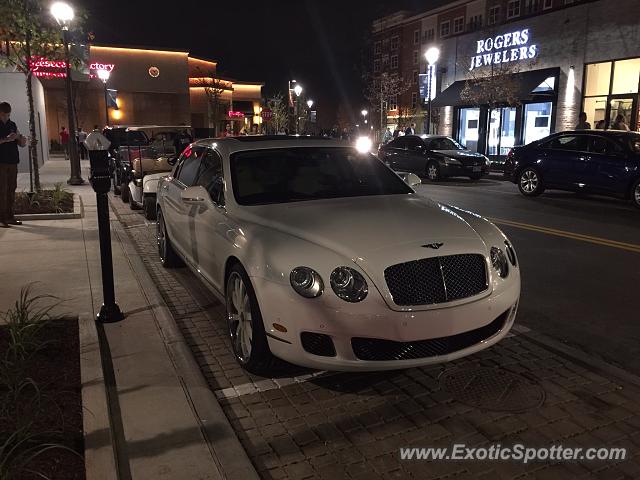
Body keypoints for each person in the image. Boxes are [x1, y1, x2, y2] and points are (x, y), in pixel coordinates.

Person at [0, 102, 27, 228]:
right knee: (2, 190)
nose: (6, 117)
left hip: (13, 161)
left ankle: (10, 216)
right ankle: (2, 218)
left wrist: (19, 138)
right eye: (4, 115)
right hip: (1, 162)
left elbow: (22, 144)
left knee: (11, 189)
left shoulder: (13, 125)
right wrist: (6, 139)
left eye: (8, 115)